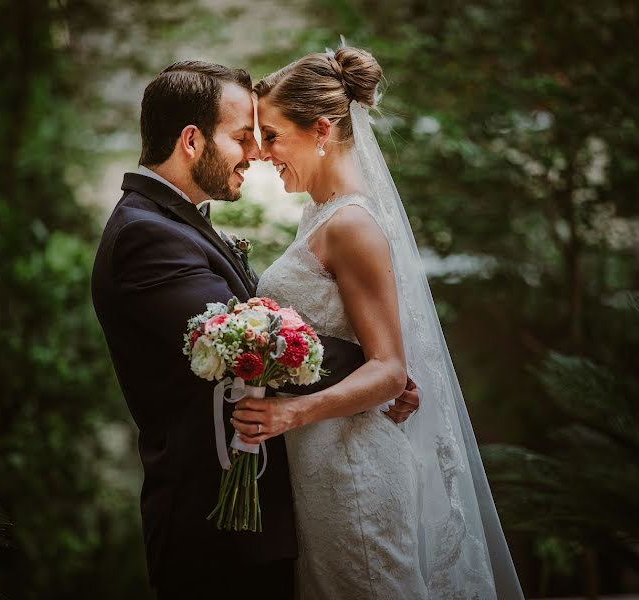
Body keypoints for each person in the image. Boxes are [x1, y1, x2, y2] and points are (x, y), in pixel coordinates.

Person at [90, 60, 418, 600]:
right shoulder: (146, 236)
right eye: (244, 137)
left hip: (254, 516)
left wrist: (384, 371)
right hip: (213, 523)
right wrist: (379, 370)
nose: (256, 154)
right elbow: (251, 343)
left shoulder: (173, 221)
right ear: (191, 141)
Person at [231, 47, 525, 599]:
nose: (264, 152)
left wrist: (287, 412)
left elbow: (390, 372)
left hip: (354, 474)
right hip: (320, 464)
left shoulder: (351, 225)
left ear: (320, 129)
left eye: (271, 135)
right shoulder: (320, 213)